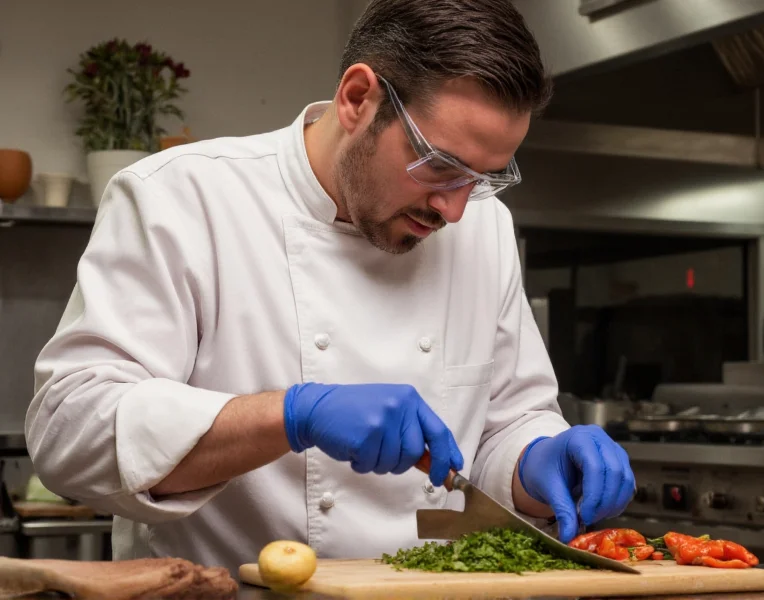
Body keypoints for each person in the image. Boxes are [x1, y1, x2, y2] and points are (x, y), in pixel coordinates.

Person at [24, 0, 635, 574]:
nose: (453, 211)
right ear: (357, 98)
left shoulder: (485, 230)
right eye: (441, 166)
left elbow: (503, 425)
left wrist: (539, 459)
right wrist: (290, 416)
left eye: (482, 180)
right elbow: (68, 431)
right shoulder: (181, 199)